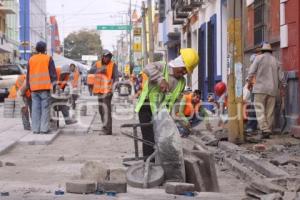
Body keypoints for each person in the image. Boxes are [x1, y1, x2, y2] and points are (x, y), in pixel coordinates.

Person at [135, 48, 199, 159]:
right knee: (149, 139)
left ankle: (160, 164)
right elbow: (147, 68)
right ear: (179, 62)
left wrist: (179, 119)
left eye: (186, 71)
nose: (184, 73)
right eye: (184, 69)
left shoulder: (182, 82)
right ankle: (150, 168)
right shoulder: (162, 66)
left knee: (162, 139)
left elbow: (176, 102)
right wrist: (160, 79)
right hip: (146, 108)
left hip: (162, 113)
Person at [247, 43, 286, 139]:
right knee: (270, 111)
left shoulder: (258, 58)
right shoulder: (276, 61)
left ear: (262, 51)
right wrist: (283, 86)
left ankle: (265, 129)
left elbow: (251, 72)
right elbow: (281, 77)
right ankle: (268, 129)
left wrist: (248, 81)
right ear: (270, 52)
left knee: (259, 110)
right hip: (272, 89)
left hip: (260, 88)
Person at [26, 41, 57, 134]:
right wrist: (54, 87)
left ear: (36, 49)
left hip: (34, 88)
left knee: (35, 109)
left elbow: (28, 75)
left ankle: (35, 129)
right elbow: (53, 75)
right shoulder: (48, 58)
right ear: (44, 49)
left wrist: (29, 87)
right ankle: (44, 129)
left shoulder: (31, 59)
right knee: (45, 109)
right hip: (44, 88)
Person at [89, 50, 119, 135]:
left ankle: (107, 130)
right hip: (99, 91)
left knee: (106, 110)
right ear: (103, 57)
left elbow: (116, 78)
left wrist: (113, 88)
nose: (108, 58)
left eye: (109, 57)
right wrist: (98, 71)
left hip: (107, 92)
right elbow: (90, 72)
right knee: (101, 110)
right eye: (106, 56)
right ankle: (105, 127)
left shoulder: (113, 65)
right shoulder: (97, 64)